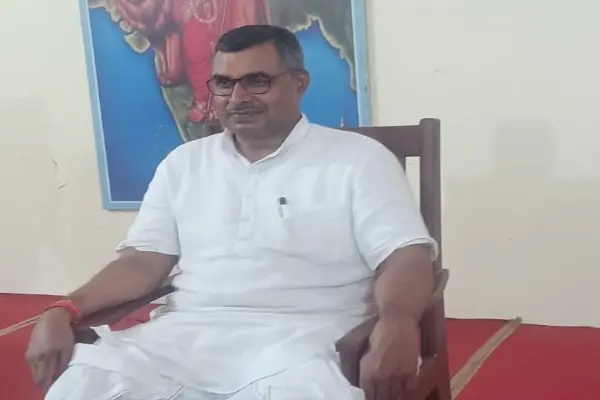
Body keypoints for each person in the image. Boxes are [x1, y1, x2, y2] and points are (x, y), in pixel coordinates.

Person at [26, 25, 437, 400]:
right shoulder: (184, 163)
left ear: (299, 84)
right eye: (224, 83)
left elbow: (405, 255)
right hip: (184, 337)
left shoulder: (359, 160)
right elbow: (143, 260)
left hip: (308, 340)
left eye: (257, 81)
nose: (238, 98)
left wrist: (398, 323)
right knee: (83, 384)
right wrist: (65, 309)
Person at [117, 0, 270, 125]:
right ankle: (205, 101)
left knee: (230, 48)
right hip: (189, 9)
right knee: (195, 52)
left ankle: (230, 101)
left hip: (225, 7)